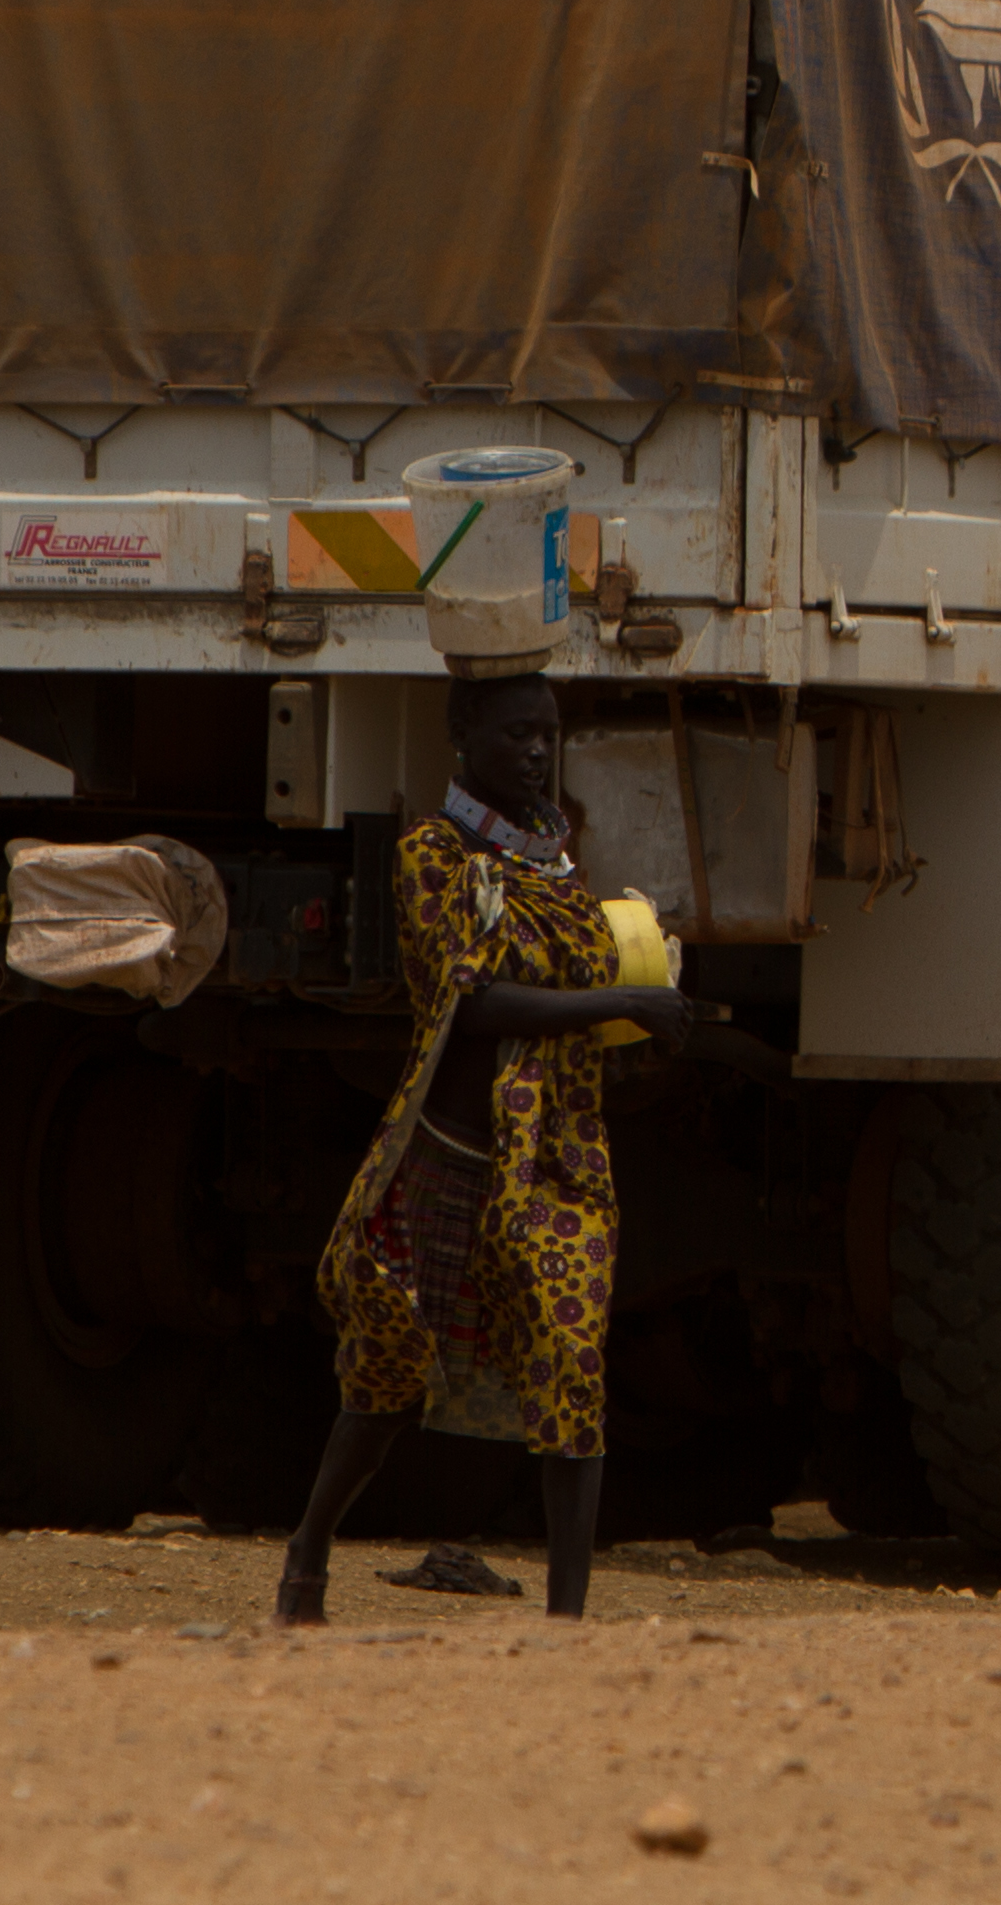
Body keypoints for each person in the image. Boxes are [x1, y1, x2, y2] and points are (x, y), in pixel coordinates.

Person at [275, 672, 703, 1625]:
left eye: (549, 735)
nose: (538, 753)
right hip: (447, 1153)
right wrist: (623, 1003)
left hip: (551, 1162)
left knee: (570, 1365)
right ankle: (307, 1554)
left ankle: (567, 1623)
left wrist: (645, 1002)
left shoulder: (555, 860)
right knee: (386, 1372)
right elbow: (469, 1005)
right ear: (464, 736)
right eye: (517, 734)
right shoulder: (433, 853)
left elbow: (571, 988)